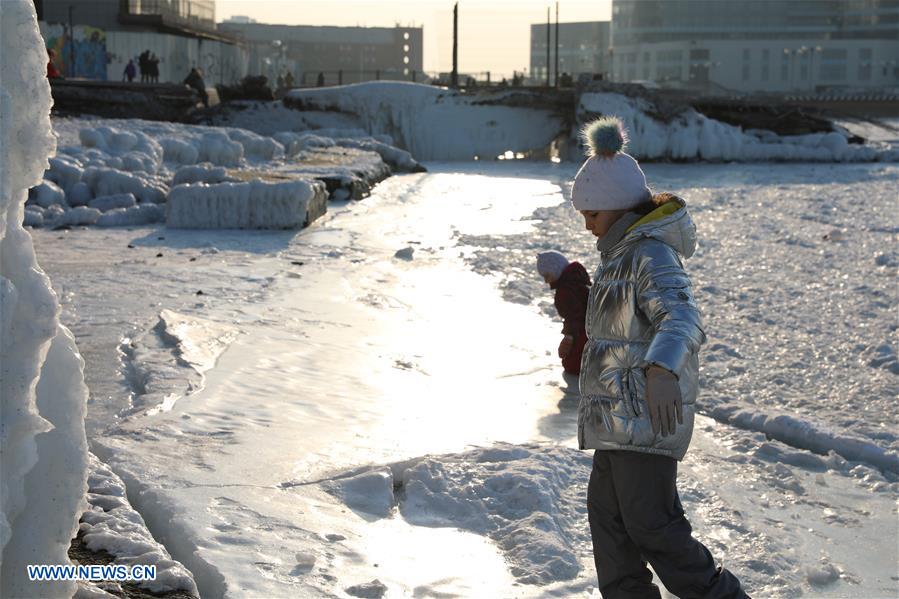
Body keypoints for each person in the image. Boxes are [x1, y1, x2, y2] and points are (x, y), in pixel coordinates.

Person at [571, 116, 747, 599]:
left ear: (616, 208)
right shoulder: (618, 257)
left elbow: (683, 318)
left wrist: (662, 369)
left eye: (592, 215)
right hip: (616, 418)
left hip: (645, 416)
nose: (587, 226)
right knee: (609, 524)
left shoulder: (649, 255)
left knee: (652, 524)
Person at [536, 251, 590, 375]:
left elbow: (574, 316)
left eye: (547, 276)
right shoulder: (576, 281)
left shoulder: (565, 291)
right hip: (590, 327)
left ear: (555, 270)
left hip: (581, 330)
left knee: (572, 365)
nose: (545, 281)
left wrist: (569, 336)